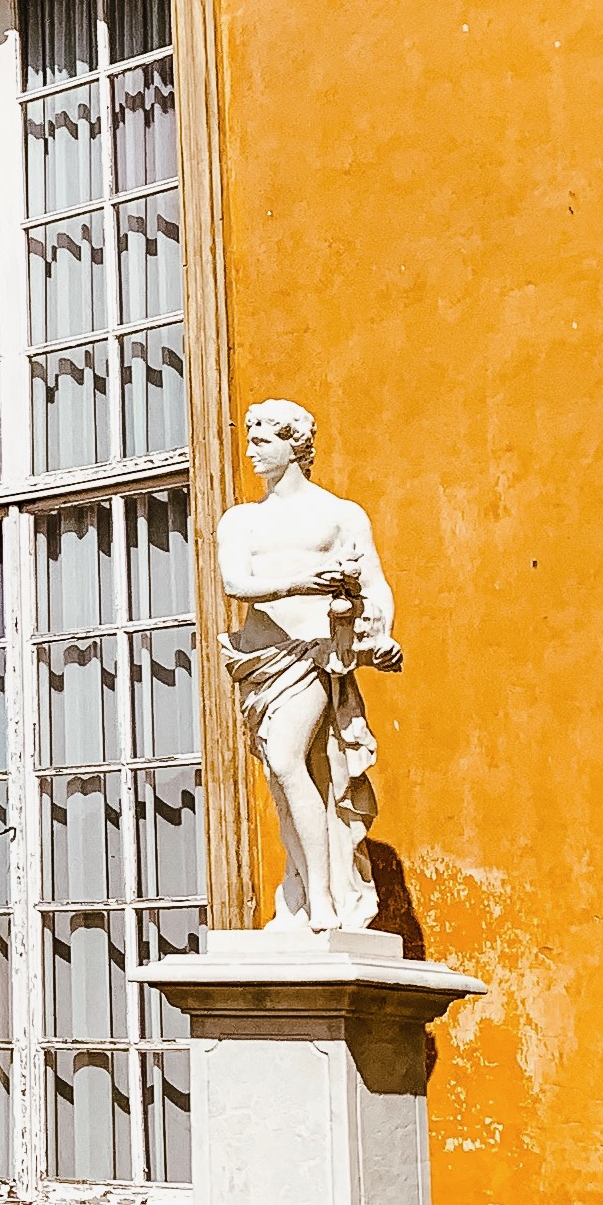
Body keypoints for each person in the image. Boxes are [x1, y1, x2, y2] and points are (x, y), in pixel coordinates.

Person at [214, 398, 401, 938]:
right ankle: (301, 890)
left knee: (286, 755)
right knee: (282, 776)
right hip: (259, 659)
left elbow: (375, 586)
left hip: (315, 651)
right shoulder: (241, 520)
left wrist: (381, 637)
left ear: (294, 445)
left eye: (262, 441)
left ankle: (321, 895)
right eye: (249, 441)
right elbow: (236, 584)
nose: (251, 452)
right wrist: (302, 581)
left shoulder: (340, 515)